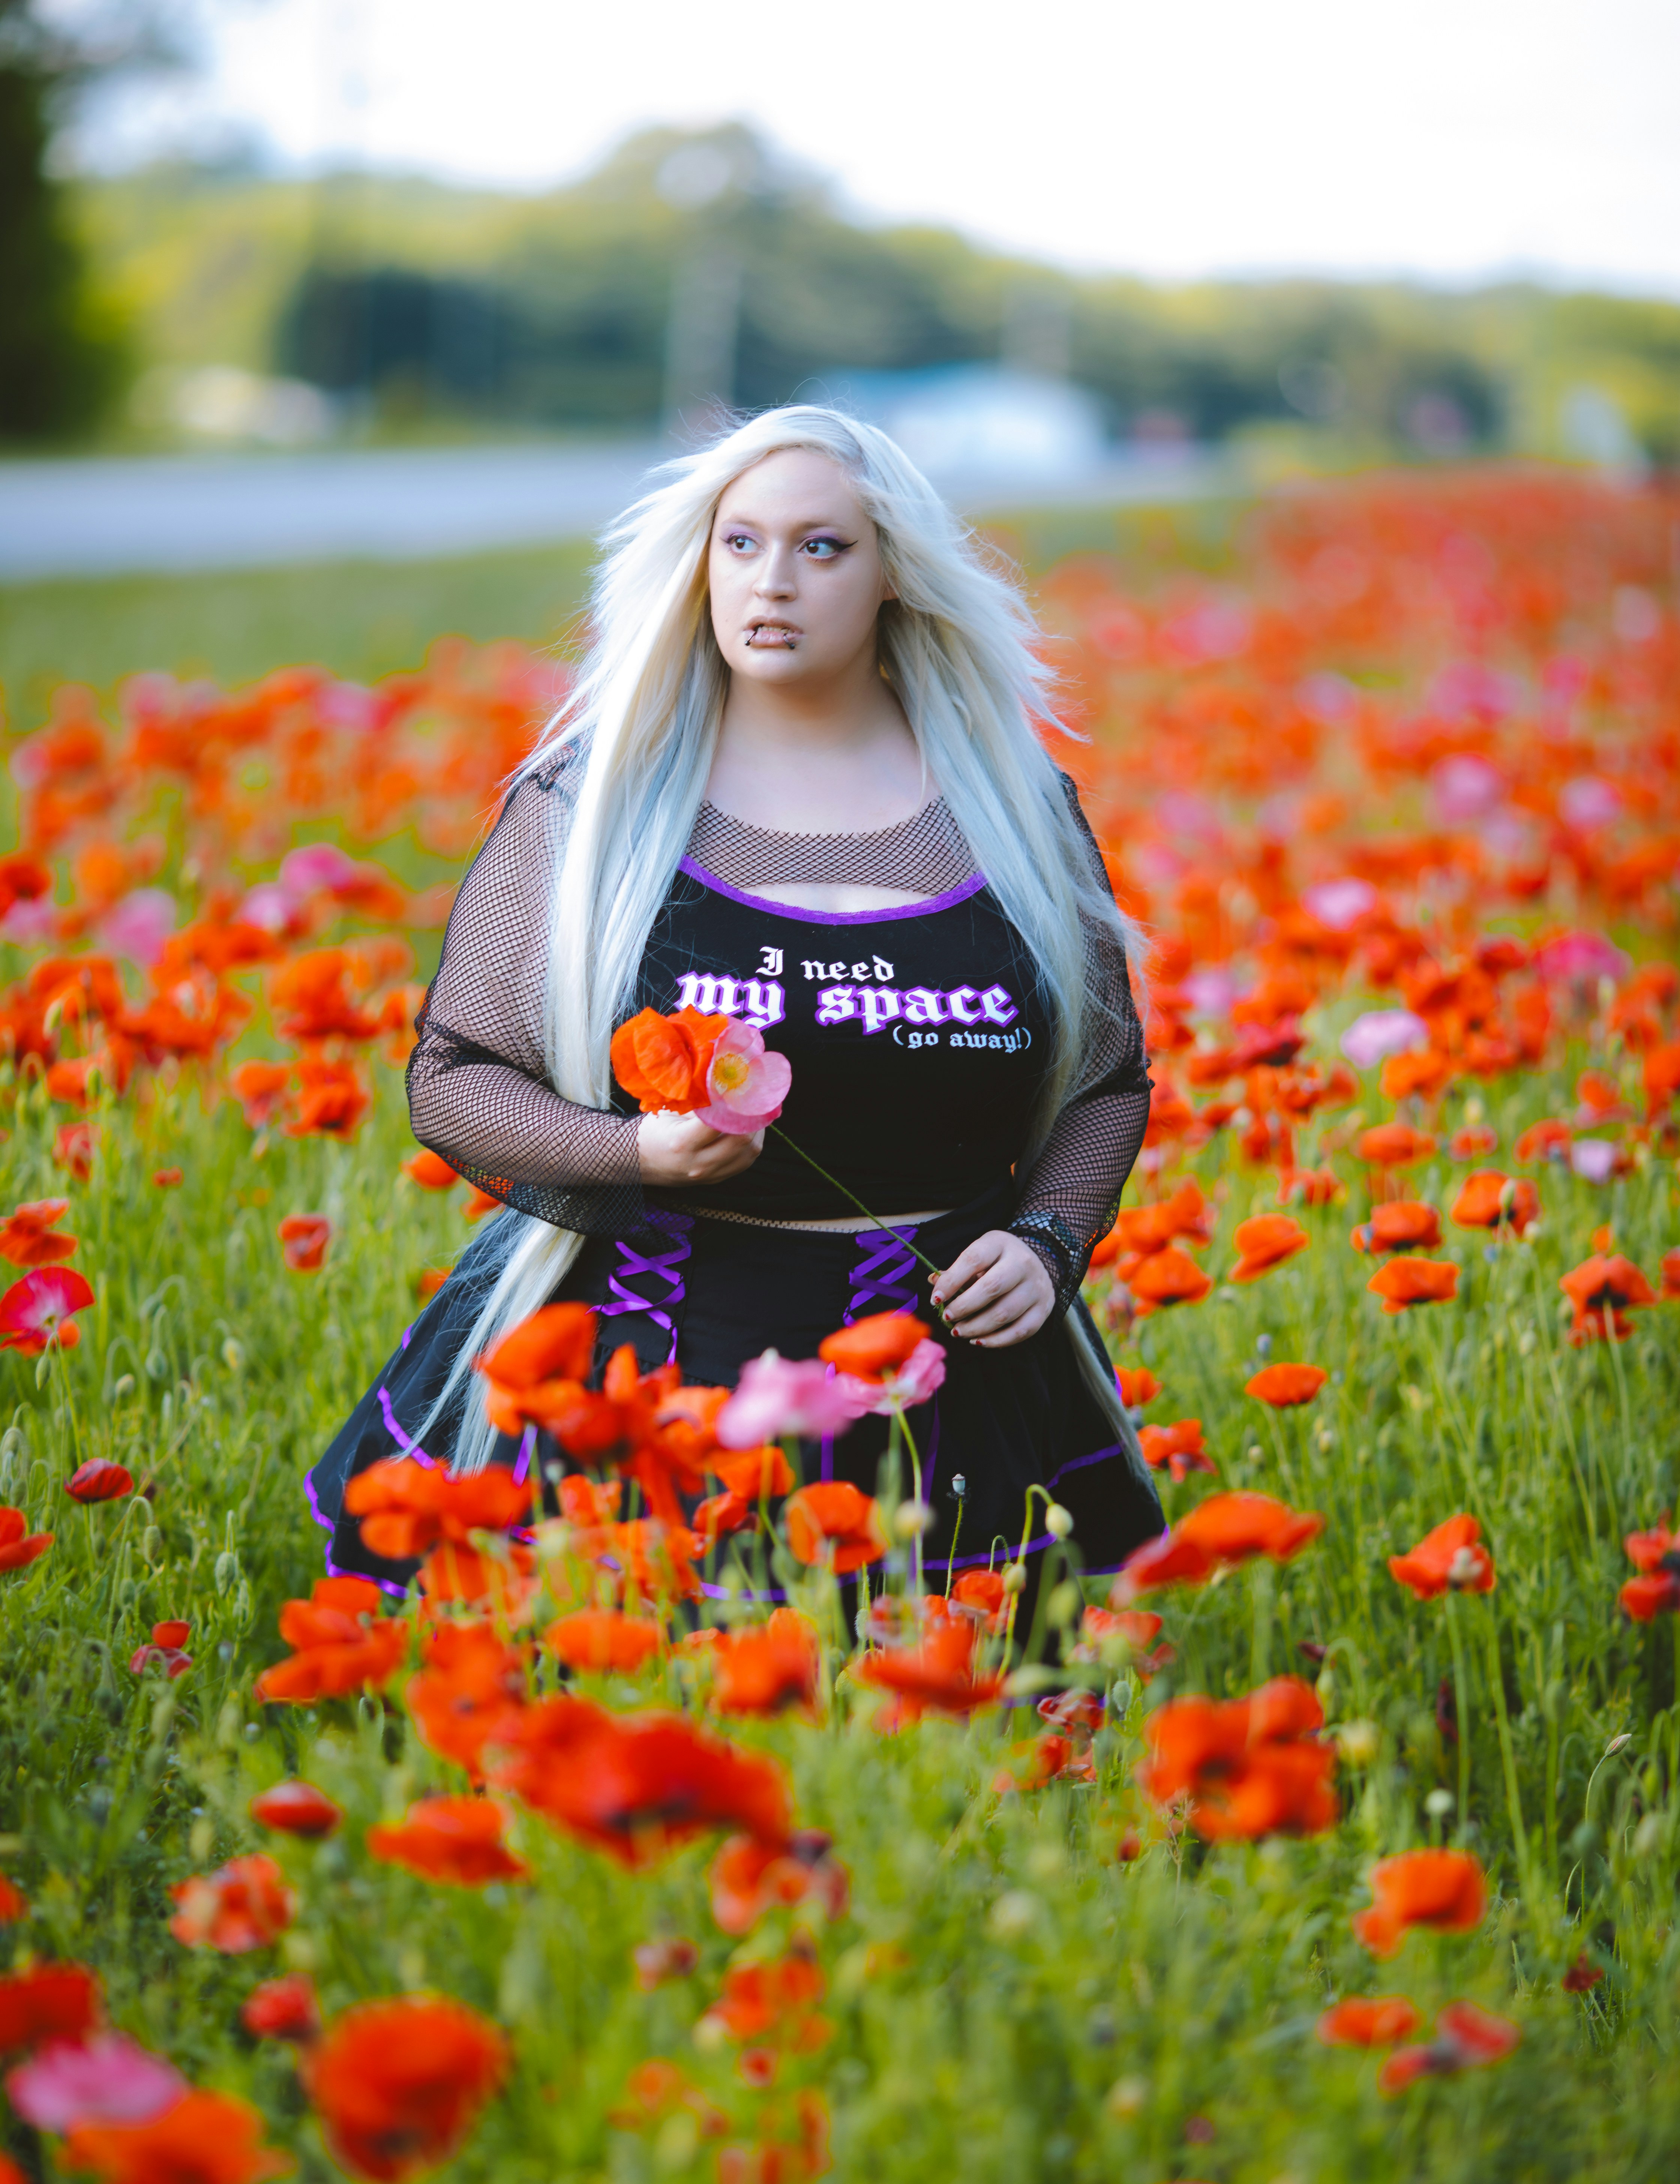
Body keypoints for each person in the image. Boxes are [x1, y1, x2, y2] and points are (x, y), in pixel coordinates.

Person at [307, 405, 1162, 1595]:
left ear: (895, 579)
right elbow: (454, 1077)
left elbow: (1107, 1081)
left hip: (951, 1378)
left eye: (823, 548)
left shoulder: (1015, 811)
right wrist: (637, 1148)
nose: (775, 581)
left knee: (958, 1750)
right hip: (646, 1370)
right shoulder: (593, 800)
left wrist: (1051, 1240)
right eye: (741, 543)